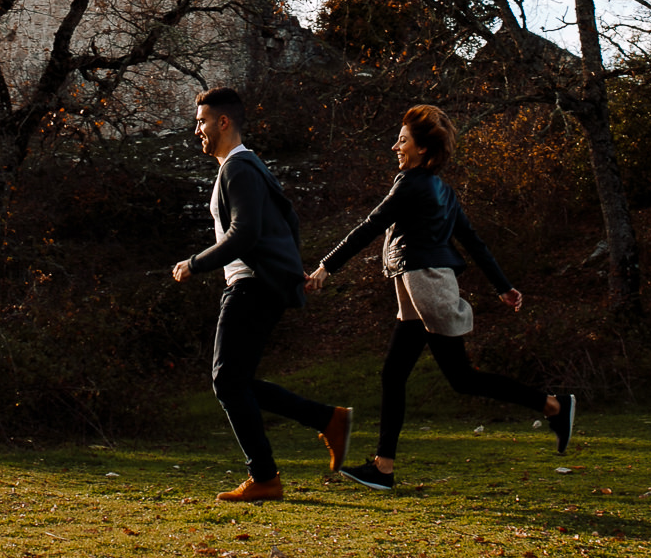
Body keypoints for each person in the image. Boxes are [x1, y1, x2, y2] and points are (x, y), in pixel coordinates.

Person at [307, 104, 574, 490]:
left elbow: (371, 225)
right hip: (418, 287)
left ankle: (553, 406)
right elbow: (473, 242)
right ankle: (383, 467)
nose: (395, 146)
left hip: (427, 285)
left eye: (402, 140)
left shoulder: (412, 184)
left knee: (461, 378)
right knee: (394, 374)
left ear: (422, 149)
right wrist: (502, 286)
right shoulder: (442, 190)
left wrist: (325, 267)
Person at [174, 87, 352, 503]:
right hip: (260, 284)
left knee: (225, 380)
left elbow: (246, 233)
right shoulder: (250, 169)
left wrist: (194, 263)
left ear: (223, 122)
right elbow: (287, 219)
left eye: (201, 121)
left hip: (250, 285)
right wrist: (291, 268)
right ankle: (328, 420)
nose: (196, 129)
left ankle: (266, 477)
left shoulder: (239, 168)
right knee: (237, 381)